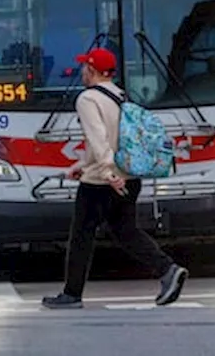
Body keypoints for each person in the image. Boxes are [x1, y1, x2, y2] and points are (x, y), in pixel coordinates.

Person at [42, 47, 189, 309]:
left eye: (84, 67)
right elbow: (116, 139)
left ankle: (72, 294)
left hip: (102, 181)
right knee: (125, 230)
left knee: (81, 235)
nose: (81, 72)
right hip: (129, 174)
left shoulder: (88, 99)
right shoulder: (120, 95)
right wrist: (83, 164)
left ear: (92, 70)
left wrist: (107, 173)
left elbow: (99, 140)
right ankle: (168, 269)